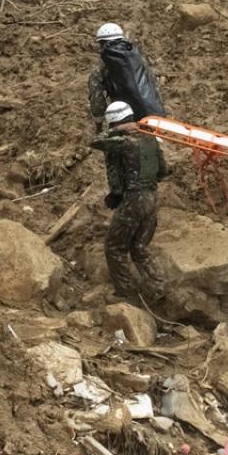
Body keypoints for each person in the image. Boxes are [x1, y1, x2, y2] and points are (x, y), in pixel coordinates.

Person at [91, 101, 169, 304]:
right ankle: (159, 287)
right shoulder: (150, 140)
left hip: (134, 199)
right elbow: (163, 172)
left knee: (114, 247)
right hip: (152, 198)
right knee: (139, 248)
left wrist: (116, 130)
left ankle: (125, 295)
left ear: (114, 122)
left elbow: (95, 141)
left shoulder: (124, 142)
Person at [87, 23, 166, 132]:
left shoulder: (101, 68)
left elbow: (97, 101)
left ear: (101, 43)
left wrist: (98, 126)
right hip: (157, 116)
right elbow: (153, 84)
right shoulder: (138, 57)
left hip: (131, 122)